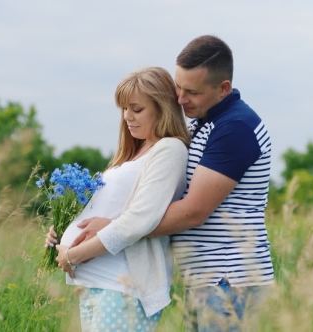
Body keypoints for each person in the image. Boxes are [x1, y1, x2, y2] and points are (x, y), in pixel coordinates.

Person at [63, 35, 275, 331]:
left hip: (230, 278)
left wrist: (112, 227)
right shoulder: (202, 124)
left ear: (223, 88)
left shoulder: (235, 128)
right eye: (178, 87)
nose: (179, 98)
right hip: (205, 279)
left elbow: (193, 211)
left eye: (192, 91)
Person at [45, 66, 190, 332]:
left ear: (162, 107)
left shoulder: (169, 149)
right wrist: (62, 233)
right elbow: (110, 208)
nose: (127, 117)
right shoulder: (131, 154)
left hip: (122, 286)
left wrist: (74, 255)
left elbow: (139, 220)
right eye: (124, 109)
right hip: (96, 284)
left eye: (137, 109)